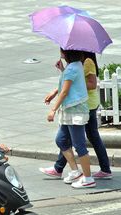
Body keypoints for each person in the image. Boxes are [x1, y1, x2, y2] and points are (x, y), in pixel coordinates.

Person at [40, 51, 112, 180]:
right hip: (78, 105)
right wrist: (63, 72)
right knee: (65, 138)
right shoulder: (75, 64)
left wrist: (76, 82)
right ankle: (61, 168)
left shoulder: (87, 62)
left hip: (85, 105)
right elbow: (68, 81)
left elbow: (92, 84)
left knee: (83, 139)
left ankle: (99, 171)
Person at [45, 48, 96, 189]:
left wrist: (53, 110)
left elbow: (65, 91)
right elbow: (69, 85)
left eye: (61, 49)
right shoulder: (76, 65)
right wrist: (62, 70)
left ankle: (88, 178)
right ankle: (75, 171)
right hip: (70, 111)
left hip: (75, 112)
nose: (60, 51)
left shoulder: (72, 69)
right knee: (61, 140)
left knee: (79, 145)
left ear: (67, 53)